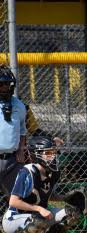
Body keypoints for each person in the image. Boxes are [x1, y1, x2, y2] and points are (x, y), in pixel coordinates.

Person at [2, 136, 84, 233]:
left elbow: (44, 195)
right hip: (15, 217)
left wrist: (65, 198)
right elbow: (14, 202)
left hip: (38, 215)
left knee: (72, 213)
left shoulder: (52, 173)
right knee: (39, 219)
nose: (53, 156)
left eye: (54, 152)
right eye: (48, 153)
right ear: (37, 154)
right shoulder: (27, 172)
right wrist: (38, 208)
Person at [0, 65, 27, 217]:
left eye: (7, 83)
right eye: (1, 84)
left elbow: (22, 130)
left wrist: (21, 149)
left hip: (11, 159)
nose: (4, 87)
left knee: (16, 197)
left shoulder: (18, 105)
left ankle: (14, 226)